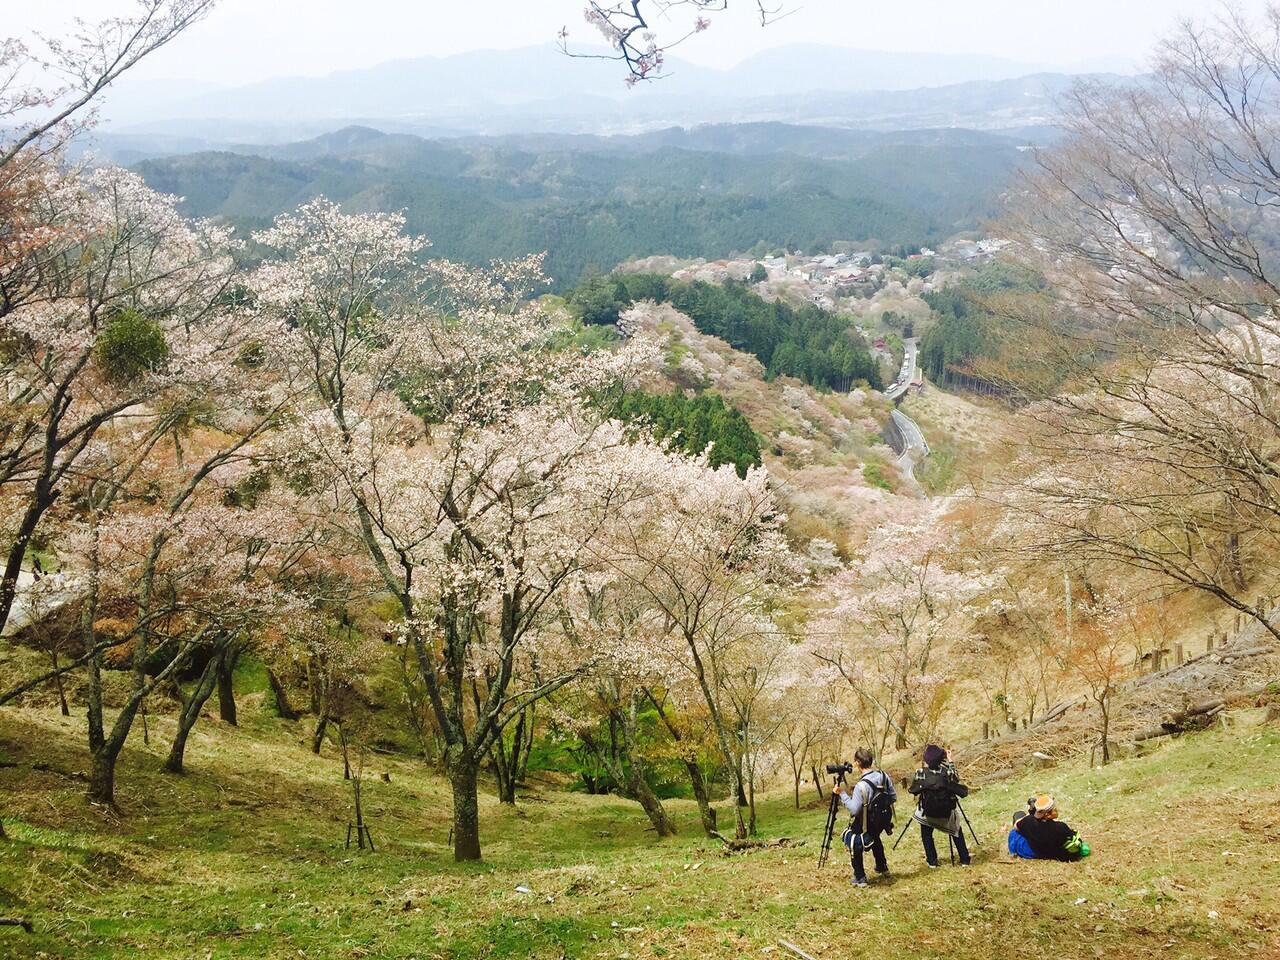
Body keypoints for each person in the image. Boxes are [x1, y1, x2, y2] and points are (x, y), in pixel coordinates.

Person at [834, 747, 897, 888]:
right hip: (882, 821)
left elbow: (855, 810)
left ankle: (860, 877)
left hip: (867, 823)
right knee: (874, 836)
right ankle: (882, 866)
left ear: (857, 763)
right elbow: (893, 797)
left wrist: (842, 794)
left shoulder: (861, 786)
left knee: (852, 839)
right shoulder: (884, 776)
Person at [908, 743, 971, 868]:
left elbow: (913, 790)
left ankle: (932, 861)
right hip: (946, 814)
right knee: (957, 830)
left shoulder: (921, 772)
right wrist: (950, 761)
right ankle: (964, 859)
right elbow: (956, 779)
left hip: (928, 814)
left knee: (925, 832)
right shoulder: (947, 772)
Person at [1008, 795, 1090, 861]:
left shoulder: (1029, 822)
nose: (1056, 810)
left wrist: (1029, 817)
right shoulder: (1061, 827)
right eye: (1054, 809)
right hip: (1051, 853)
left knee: (1014, 831)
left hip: (1034, 852)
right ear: (1049, 814)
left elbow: (1017, 825)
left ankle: (1012, 853)